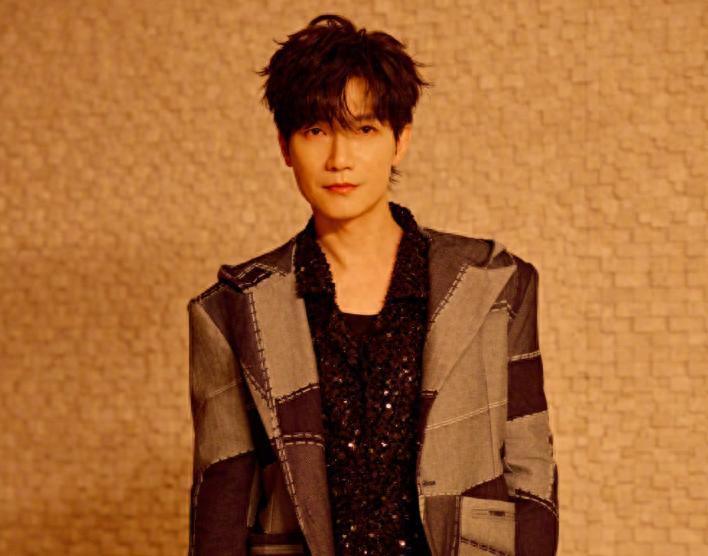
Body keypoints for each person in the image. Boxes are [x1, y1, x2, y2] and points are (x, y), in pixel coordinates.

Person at [187, 13, 559, 556]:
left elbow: (531, 472)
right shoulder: (233, 309)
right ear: (285, 146)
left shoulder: (495, 284)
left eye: (364, 130)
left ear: (400, 139)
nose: (339, 159)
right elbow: (222, 501)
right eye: (316, 131)